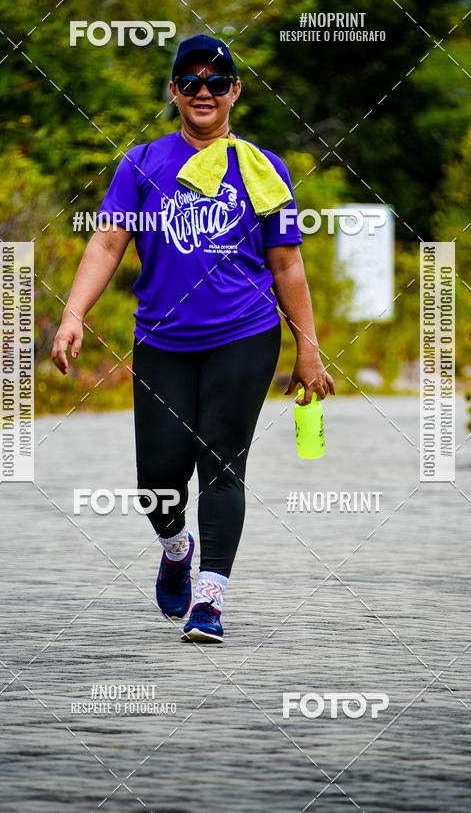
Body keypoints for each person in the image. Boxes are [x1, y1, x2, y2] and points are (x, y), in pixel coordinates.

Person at [51, 34, 335, 643]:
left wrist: (308, 348)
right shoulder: (143, 164)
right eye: (190, 82)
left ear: (234, 91)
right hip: (162, 339)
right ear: (175, 92)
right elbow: (106, 243)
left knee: (222, 467)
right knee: (156, 478)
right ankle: (176, 548)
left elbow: (287, 266)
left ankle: (209, 600)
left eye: (216, 82)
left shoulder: (262, 168)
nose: (203, 92)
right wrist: (74, 313)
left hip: (245, 335)